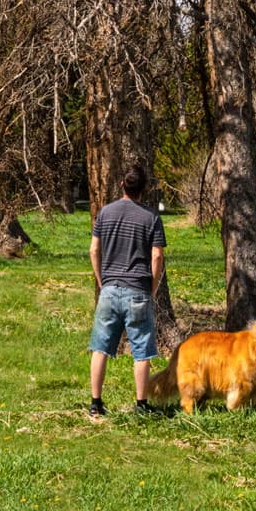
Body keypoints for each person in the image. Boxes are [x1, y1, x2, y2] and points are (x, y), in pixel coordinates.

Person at [87, 162, 166, 420]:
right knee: (141, 350)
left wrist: (102, 280)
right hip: (138, 289)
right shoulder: (151, 217)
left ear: (122, 185)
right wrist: (152, 287)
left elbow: (94, 250)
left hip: (109, 288)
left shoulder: (105, 213)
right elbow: (156, 256)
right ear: (144, 190)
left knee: (100, 348)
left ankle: (95, 403)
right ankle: (141, 404)